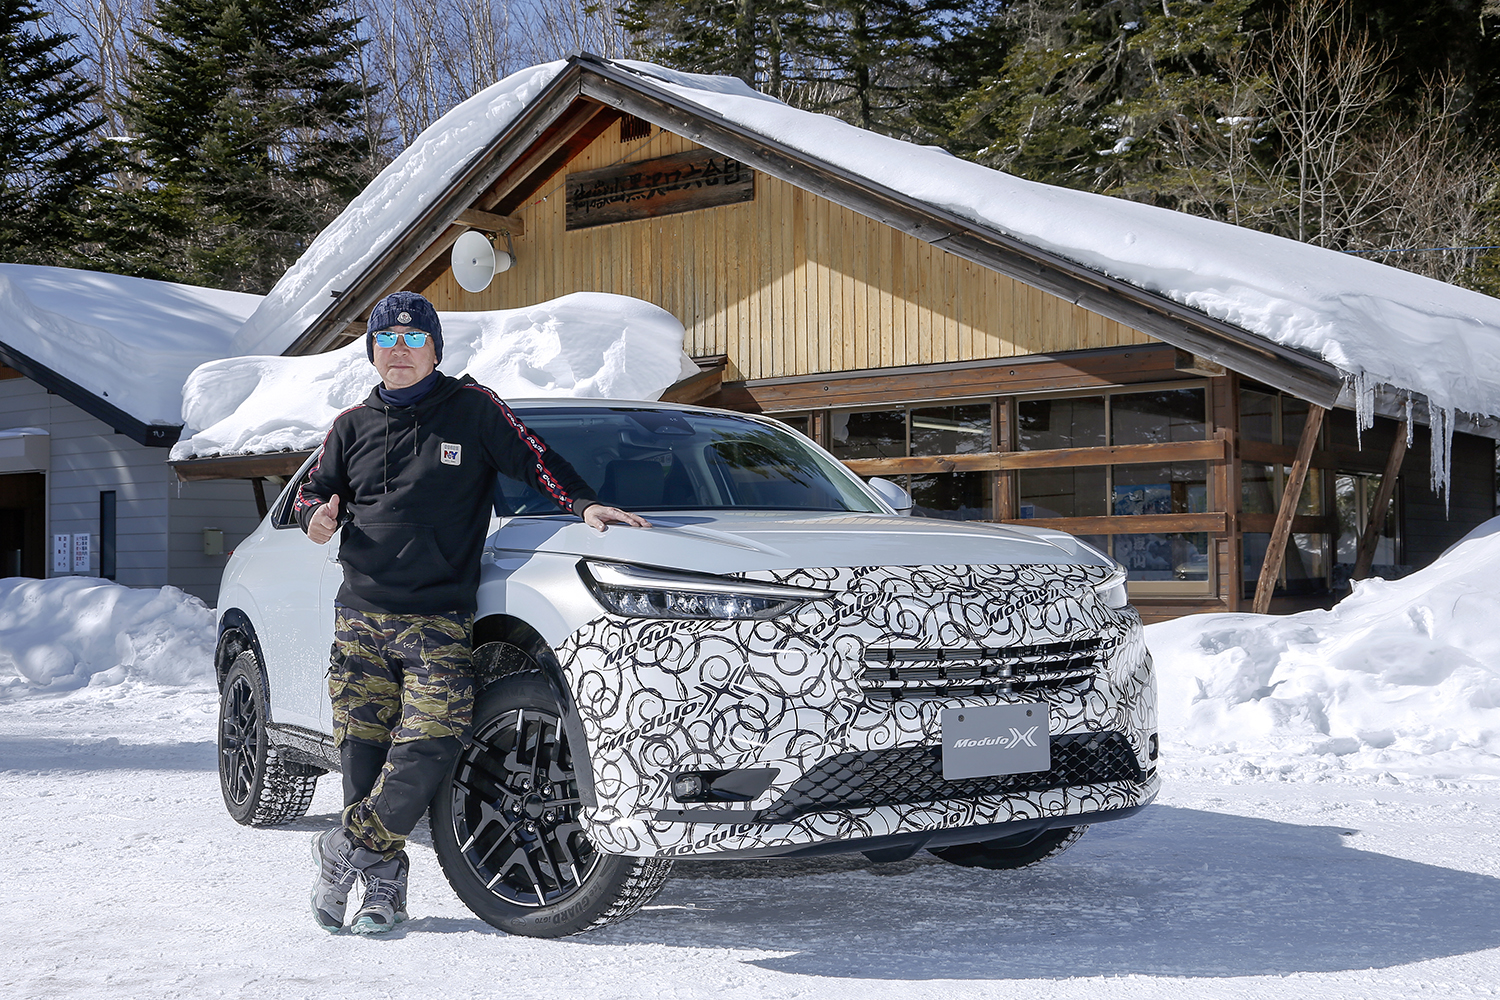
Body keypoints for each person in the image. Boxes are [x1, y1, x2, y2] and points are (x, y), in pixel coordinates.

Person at [296, 290, 649, 935]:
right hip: (362, 615)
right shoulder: (349, 425)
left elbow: (535, 457)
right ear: (373, 350)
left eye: (412, 338)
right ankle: (382, 889)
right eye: (386, 339)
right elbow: (313, 492)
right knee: (363, 752)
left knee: (432, 741)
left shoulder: (471, 409)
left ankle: (345, 847)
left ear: (434, 348)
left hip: (438, 617)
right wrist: (314, 517)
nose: (398, 350)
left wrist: (583, 504)